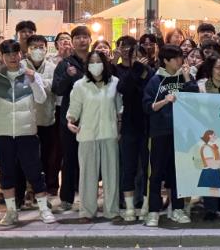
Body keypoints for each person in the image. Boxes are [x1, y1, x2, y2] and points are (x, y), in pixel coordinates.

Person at [0, 39, 56, 226]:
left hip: (27, 133)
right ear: (2, 57)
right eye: (7, 54)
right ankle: (11, 212)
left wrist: (34, 81)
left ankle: (44, 210)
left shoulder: (30, 75)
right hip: (3, 134)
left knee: (34, 172)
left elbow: (41, 99)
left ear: (20, 55)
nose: (12, 57)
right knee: (6, 174)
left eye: (15, 53)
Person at [66, 50, 122, 222]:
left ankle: (112, 211)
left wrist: (119, 128)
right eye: (92, 62)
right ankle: (87, 211)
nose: (95, 65)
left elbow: (119, 108)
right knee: (87, 175)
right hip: (87, 134)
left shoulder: (114, 82)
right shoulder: (80, 85)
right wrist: (70, 121)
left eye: (98, 61)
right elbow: (74, 109)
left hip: (109, 133)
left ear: (105, 64)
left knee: (111, 174)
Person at [184, 55, 220, 221]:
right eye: (217, 68)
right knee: (210, 172)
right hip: (208, 135)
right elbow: (191, 105)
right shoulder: (201, 86)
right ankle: (210, 208)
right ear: (211, 69)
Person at [143, 45, 192, 227]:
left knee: (179, 173)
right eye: (176, 58)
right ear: (166, 60)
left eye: (181, 57)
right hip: (160, 132)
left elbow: (195, 98)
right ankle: (153, 211)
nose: (180, 61)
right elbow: (147, 106)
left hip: (182, 133)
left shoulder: (184, 77)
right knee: (156, 173)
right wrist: (165, 100)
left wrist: (187, 78)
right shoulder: (155, 80)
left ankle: (177, 209)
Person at [52, 25, 92, 212]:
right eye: (78, 37)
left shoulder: (96, 61)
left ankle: (88, 198)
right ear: (73, 41)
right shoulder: (65, 64)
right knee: (69, 158)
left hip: (93, 117)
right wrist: (68, 77)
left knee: (90, 160)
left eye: (85, 37)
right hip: (70, 119)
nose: (81, 40)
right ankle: (66, 199)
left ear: (90, 40)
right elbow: (57, 89)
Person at [115, 36, 154, 221]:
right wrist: (136, 69)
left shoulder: (153, 75)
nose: (138, 60)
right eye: (134, 57)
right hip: (129, 127)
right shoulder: (127, 74)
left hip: (148, 128)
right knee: (128, 167)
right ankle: (129, 207)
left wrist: (143, 70)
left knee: (147, 168)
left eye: (141, 56)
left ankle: (146, 204)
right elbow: (123, 89)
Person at [24, 35, 60, 198]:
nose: (37, 50)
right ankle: (29, 190)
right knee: (28, 158)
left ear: (46, 49)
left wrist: (35, 79)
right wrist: (41, 83)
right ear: (27, 50)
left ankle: (45, 190)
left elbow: (54, 86)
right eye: (34, 47)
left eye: (41, 47)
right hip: (25, 122)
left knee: (47, 157)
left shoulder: (53, 67)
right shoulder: (21, 66)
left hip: (47, 119)